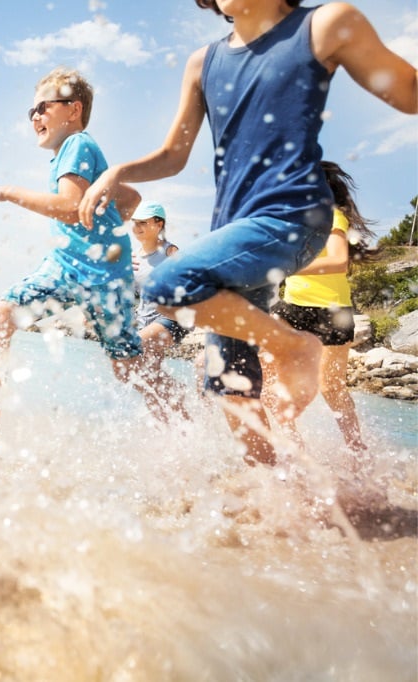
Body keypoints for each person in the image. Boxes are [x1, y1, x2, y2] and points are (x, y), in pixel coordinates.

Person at [77, 0, 416, 466]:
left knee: (167, 285)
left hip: (293, 215)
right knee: (230, 385)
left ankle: (294, 346)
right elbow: (174, 155)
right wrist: (118, 171)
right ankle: (276, 497)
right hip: (236, 231)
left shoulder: (323, 25)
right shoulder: (204, 62)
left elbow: (409, 92)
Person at [0, 66, 186, 450]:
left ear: (73, 110)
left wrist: (8, 191)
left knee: (4, 320)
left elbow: (70, 208)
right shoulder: (73, 155)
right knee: (124, 366)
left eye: (43, 107)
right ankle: (182, 422)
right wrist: (103, 227)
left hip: (86, 274)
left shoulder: (77, 144)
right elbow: (131, 200)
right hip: (94, 272)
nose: (35, 116)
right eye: (31, 112)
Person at [266, 161, 376, 454]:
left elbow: (338, 261)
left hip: (331, 313)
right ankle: (295, 449)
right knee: (265, 375)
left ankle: (358, 452)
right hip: (291, 307)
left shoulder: (333, 216)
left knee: (331, 388)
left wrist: (291, 267)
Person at [130, 201, 191, 420]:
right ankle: (178, 429)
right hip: (145, 319)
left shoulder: (170, 251)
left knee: (132, 349)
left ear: (158, 224)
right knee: (145, 376)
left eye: (143, 223)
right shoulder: (133, 257)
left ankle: (175, 389)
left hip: (171, 317)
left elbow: (190, 281)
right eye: (135, 223)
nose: (137, 227)